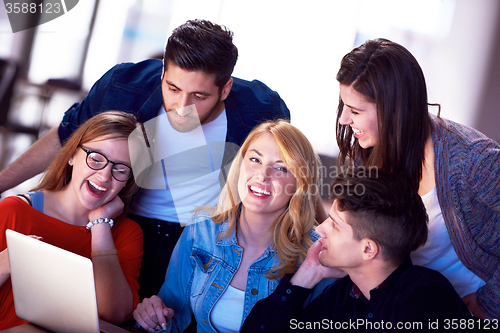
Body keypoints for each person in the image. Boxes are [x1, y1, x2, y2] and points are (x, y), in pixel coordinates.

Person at [0, 19, 300, 299]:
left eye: (199, 96)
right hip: (127, 225)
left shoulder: (261, 109)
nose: (182, 107)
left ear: (226, 89)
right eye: (172, 88)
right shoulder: (123, 86)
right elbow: (67, 136)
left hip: (201, 240)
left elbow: (289, 173)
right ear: (162, 73)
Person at [334, 38, 499, 319]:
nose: (343, 120)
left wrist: (491, 301)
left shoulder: (473, 160)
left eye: (356, 110)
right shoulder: (368, 151)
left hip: (470, 311)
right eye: (344, 105)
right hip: (409, 306)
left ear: (393, 110)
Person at [133, 120, 330, 333]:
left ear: (299, 184)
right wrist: (153, 318)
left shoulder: (316, 254)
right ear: (240, 165)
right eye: (255, 159)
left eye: (281, 168)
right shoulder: (201, 230)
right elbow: (171, 318)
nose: (262, 175)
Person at [241, 168, 474, 333]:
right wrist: (308, 273)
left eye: (334, 224)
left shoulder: (425, 298)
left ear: (368, 249)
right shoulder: (343, 296)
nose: (320, 229)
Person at [0, 111, 143, 329]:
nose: (104, 176)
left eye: (121, 169)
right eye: (95, 159)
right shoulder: (14, 211)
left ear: (128, 181)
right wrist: (5, 264)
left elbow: (114, 314)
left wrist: (101, 225)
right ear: (72, 155)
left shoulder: (127, 233)